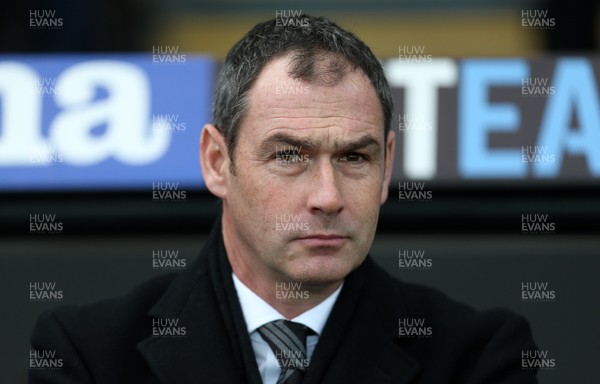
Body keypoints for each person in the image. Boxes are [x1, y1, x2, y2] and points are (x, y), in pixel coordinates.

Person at [30, 14, 539, 383]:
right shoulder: (88, 354)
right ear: (215, 162)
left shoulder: (479, 358)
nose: (328, 197)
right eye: (289, 155)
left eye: (354, 158)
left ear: (387, 164)